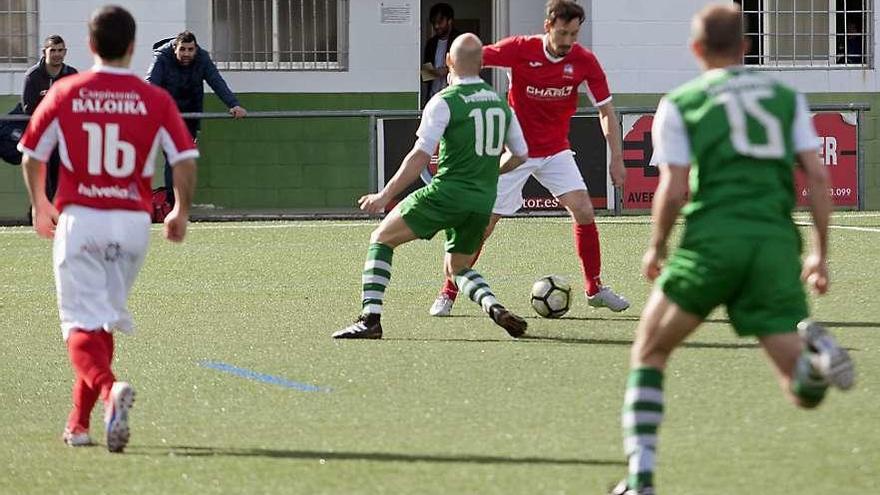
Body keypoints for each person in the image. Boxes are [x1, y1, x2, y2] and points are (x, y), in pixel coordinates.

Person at [608, 5, 855, 494]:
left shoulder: (682, 102)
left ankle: (640, 481)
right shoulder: (785, 97)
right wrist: (820, 255)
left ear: (696, 50)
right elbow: (820, 177)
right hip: (774, 246)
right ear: (745, 47)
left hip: (712, 244)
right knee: (800, 392)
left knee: (651, 351)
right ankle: (816, 367)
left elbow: (674, 189)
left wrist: (656, 246)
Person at [18, 5, 199, 453]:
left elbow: (32, 155)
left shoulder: (66, 91)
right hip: (133, 224)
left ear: (91, 45)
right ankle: (78, 425)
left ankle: (108, 389)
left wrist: (40, 203)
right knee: (100, 325)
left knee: (77, 324)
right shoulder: (153, 97)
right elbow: (184, 158)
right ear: (134, 47)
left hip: (82, 218)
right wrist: (178, 210)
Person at [429, 0, 630, 318]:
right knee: (483, 225)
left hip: (555, 151)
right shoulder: (521, 49)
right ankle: (449, 291)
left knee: (584, 209)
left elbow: (606, 110)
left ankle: (594, 289)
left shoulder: (584, 61)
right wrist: (456, 82)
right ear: (548, 26)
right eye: (563, 33)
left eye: (574, 34)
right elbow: (471, 57)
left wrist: (616, 158)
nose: (568, 41)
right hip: (514, 151)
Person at [333, 33, 529, 340]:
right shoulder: (502, 106)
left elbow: (420, 156)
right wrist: (489, 173)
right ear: (482, 64)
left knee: (381, 238)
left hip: (446, 194)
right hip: (482, 201)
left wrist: (385, 195)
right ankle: (493, 306)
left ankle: (370, 319)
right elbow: (520, 155)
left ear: (449, 61)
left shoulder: (444, 100)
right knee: (459, 268)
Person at [146, 30, 245, 207]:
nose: (186, 54)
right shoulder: (162, 57)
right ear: (175, 48)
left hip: (191, 112)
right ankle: (172, 202)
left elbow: (216, 81)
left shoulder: (202, 58)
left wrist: (233, 104)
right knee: (173, 157)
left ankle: (180, 200)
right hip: (168, 113)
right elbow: (151, 84)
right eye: (182, 49)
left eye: (190, 49)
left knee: (185, 158)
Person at [22, 35, 78, 202]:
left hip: (63, 137)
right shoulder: (33, 76)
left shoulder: (72, 74)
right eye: (52, 50)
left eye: (60, 50)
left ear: (65, 52)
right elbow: (27, 108)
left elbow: (77, 105)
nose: (57, 54)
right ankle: (39, 211)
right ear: (44, 52)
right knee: (42, 180)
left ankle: (59, 215)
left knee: (62, 178)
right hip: (41, 137)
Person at [422, 3, 462, 103]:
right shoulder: (431, 44)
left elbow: (469, 68)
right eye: (434, 22)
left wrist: (448, 70)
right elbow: (425, 74)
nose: (436, 26)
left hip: (454, 96)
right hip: (433, 97)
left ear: (450, 21)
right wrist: (437, 72)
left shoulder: (460, 40)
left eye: (440, 22)